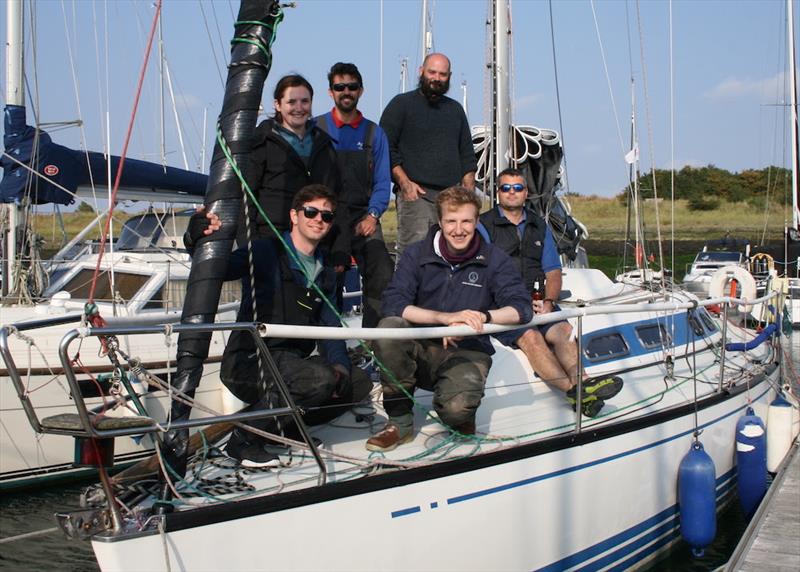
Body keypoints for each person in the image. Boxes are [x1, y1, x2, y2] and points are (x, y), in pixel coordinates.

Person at [187, 185, 364, 468]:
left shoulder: (326, 271)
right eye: (311, 212)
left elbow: (330, 326)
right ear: (295, 216)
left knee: (356, 382)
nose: (319, 219)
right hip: (250, 362)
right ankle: (244, 440)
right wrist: (194, 238)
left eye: (327, 216)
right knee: (319, 379)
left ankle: (283, 430)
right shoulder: (266, 250)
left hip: (290, 364)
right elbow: (219, 268)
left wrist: (341, 367)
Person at [366, 186, 532, 452]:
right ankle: (400, 422)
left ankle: (456, 408)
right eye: (451, 221)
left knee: (456, 412)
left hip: (467, 350)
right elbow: (394, 302)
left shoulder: (494, 259)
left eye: (466, 221)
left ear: (477, 221)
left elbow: (522, 308)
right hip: (421, 345)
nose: (459, 229)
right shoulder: (417, 254)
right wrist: (444, 318)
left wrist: (482, 316)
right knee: (388, 329)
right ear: (440, 222)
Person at [478, 168, 623, 417]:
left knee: (565, 331)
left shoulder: (539, 226)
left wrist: (548, 301)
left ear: (526, 193)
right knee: (531, 338)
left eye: (517, 188)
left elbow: (553, 271)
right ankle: (578, 392)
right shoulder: (484, 225)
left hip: (537, 300)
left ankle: (583, 382)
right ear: (498, 193)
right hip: (505, 305)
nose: (512, 193)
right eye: (505, 188)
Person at [315, 62, 394, 328]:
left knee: (382, 270)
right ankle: (328, 348)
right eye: (340, 87)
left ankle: (375, 343)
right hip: (326, 218)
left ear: (361, 91)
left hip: (364, 216)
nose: (346, 91)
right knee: (325, 276)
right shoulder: (317, 129)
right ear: (330, 92)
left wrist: (373, 215)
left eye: (352, 86)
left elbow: (383, 181)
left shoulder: (374, 133)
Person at [246, 74, 349, 269]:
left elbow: (339, 200)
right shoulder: (261, 142)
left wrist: (340, 251)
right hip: (271, 241)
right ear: (277, 104)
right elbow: (247, 198)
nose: (299, 108)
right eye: (291, 102)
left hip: (318, 246)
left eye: (305, 101)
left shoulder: (324, 145)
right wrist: (250, 247)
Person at [380, 53, 477, 257]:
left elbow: (467, 155)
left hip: (452, 198)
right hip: (416, 196)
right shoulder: (401, 104)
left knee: (453, 256)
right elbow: (385, 147)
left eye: (442, 74)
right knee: (413, 256)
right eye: (432, 72)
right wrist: (405, 183)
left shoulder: (456, 110)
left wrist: (468, 193)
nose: (436, 78)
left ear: (449, 76)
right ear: (421, 71)